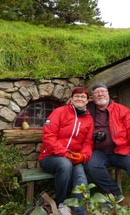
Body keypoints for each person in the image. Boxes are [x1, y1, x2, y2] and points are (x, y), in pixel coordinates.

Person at [85, 83, 130, 206]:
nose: (100, 94)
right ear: (92, 97)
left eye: (103, 91)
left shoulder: (122, 110)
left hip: (121, 150)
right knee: (91, 165)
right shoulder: (87, 111)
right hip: (98, 151)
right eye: (97, 93)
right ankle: (114, 193)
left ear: (108, 94)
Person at [38, 87, 93, 215]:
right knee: (65, 164)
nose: (80, 98)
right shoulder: (59, 112)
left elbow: (88, 142)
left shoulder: (88, 119)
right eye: (77, 96)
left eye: (83, 97)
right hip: (50, 157)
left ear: (87, 101)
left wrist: (83, 156)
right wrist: (65, 153)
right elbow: (48, 136)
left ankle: (82, 210)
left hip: (73, 157)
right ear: (71, 99)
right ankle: (61, 203)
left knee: (80, 175)